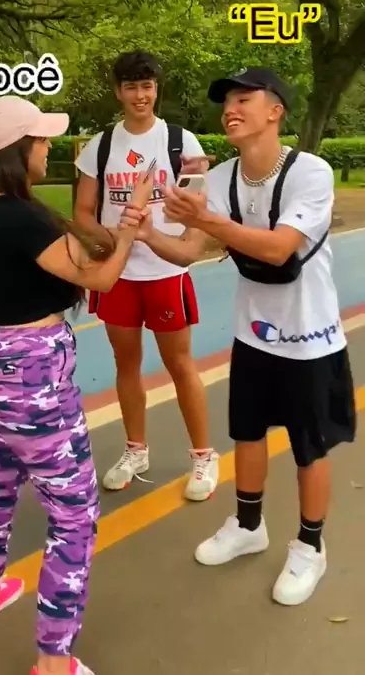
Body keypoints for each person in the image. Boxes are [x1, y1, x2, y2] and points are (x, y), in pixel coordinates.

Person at [120, 67, 356, 606]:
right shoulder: (221, 178)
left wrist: (207, 221)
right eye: (227, 101)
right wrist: (147, 231)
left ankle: (310, 547)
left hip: (310, 339)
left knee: (309, 447)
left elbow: (279, 248)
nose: (231, 108)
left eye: (244, 99)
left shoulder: (310, 172)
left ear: (275, 111)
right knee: (247, 433)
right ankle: (249, 526)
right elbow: (187, 252)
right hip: (254, 337)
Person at [0, 95, 154, 675]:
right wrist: (131, 226)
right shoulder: (26, 218)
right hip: (34, 377)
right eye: (41, 140)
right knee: (73, 514)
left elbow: (49, 264)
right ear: (19, 150)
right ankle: (52, 658)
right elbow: (101, 277)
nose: (49, 148)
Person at [74, 50, 219, 501]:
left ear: (157, 89)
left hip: (165, 271)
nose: (140, 95)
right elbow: (83, 212)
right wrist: (115, 238)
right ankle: (136, 450)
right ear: (118, 92)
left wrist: (171, 230)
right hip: (119, 275)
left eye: (147, 86)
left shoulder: (180, 142)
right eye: (131, 87)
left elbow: (198, 207)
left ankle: (203, 455)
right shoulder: (100, 147)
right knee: (127, 364)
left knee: (180, 364)